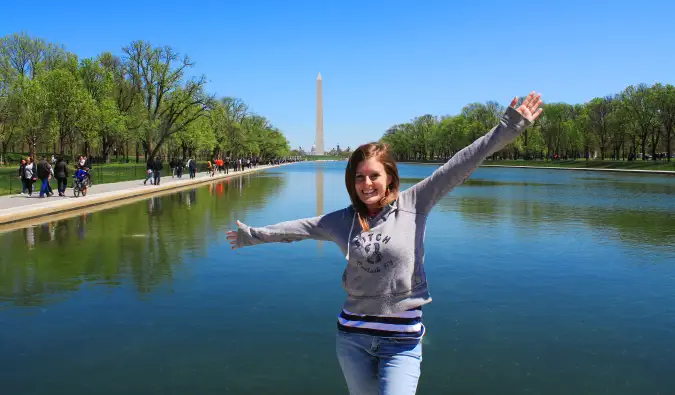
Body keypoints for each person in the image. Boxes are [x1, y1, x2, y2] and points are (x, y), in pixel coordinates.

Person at [226, 93, 543, 395]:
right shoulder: (343, 220)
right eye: (359, 177)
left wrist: (509, 127)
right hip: (353, 337)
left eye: (373, 176)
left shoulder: (416, 202)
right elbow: (298, 229)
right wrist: (250, 235)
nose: (366, 184)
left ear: (389, 177)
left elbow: (460, 165)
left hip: (401, 341)